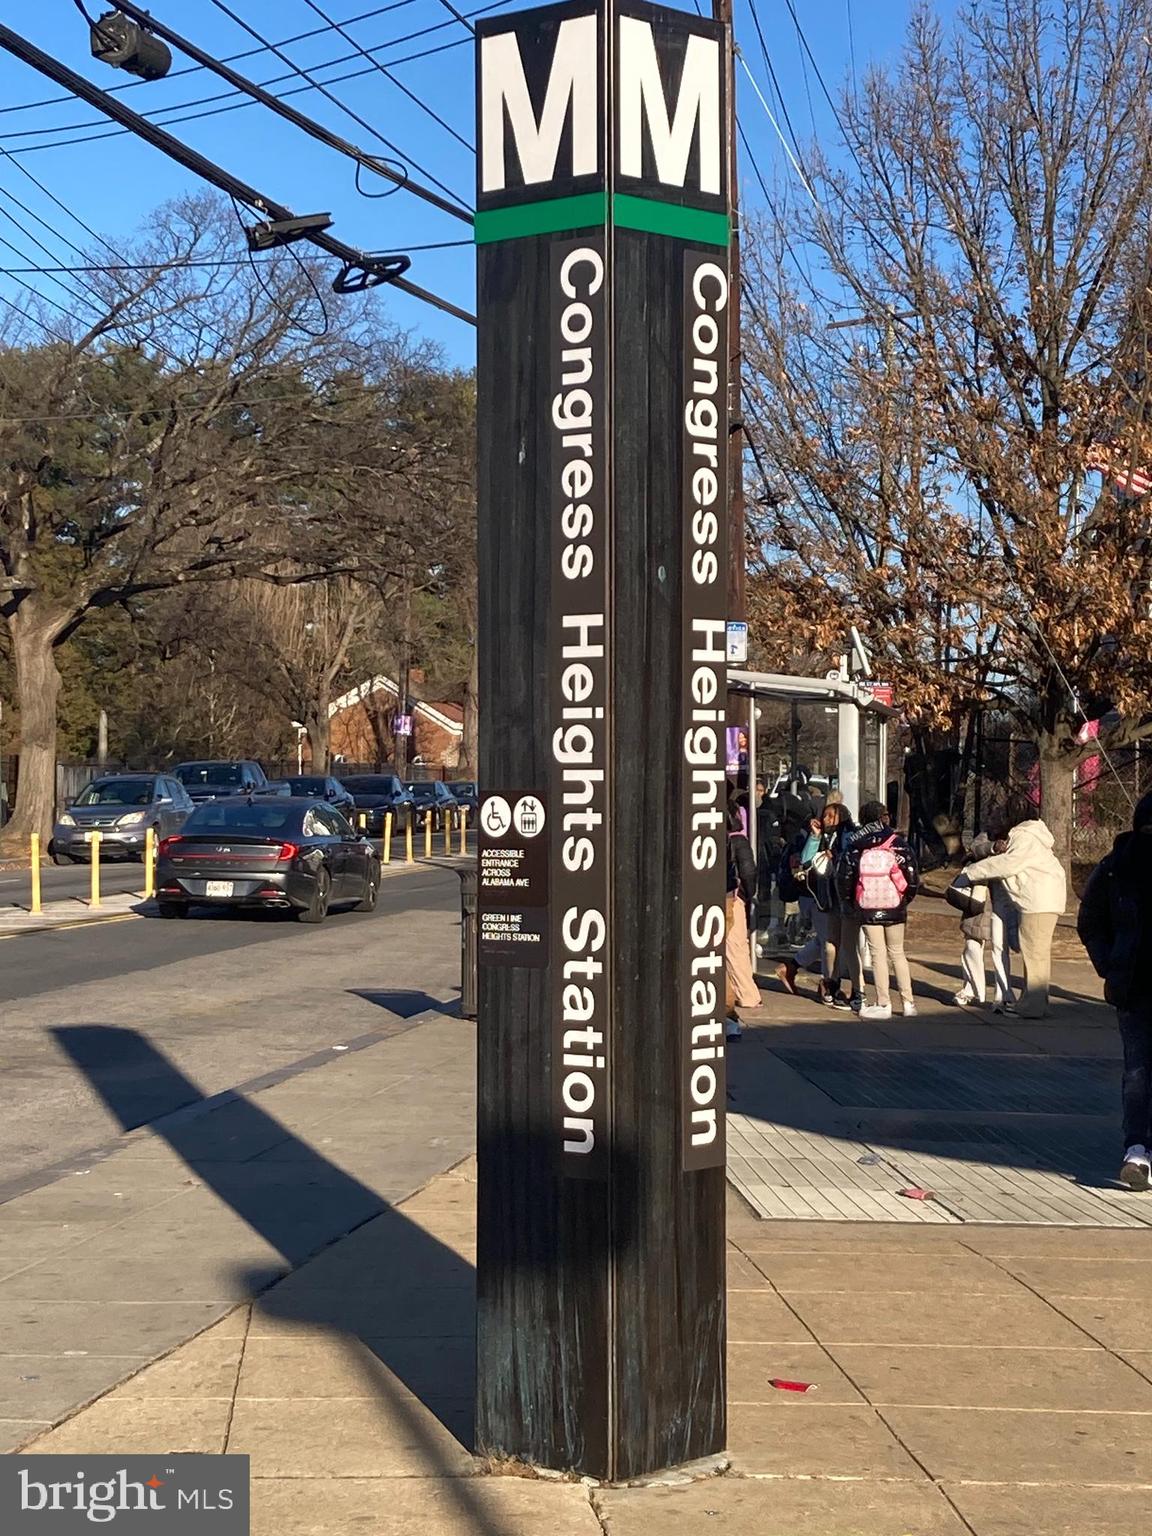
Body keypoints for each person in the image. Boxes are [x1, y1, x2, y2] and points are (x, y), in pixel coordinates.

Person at [1077, 791, 1152, 1190]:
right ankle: (1137, 1148)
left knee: (1140, 1069)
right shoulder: (1114, 869)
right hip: (1134, 984)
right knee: (1138, 1070)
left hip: (1131, 981)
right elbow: (1090, 920)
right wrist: (1109, 962)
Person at [965, 809, 1067, 1019]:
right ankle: (1036, 1001)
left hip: (1038, 901)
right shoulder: (1034, 835)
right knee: (1038, 954)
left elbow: (1009, 864)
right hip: (1045, 899)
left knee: (1034, 954)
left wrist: (973, 871)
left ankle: (1032, 1006)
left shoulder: (1023, 836)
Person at [838, 800, 919, 1020]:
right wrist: (904, 899)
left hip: (869, 906)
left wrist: (851, 902)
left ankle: (883, 1002)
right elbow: (911, 874)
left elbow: (845, 877)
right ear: (882, 816)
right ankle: (908, 1002)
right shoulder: (897, 841)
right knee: (898, 953)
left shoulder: (856, 843)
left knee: (878, 954)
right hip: (894, 904)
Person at [799, 802, 860, 1009]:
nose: (826, 820)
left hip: (845, 898)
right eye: (824, 816)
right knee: (829, 944)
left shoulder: (849, 835)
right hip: (826, 898)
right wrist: (815, 836)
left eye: (831, 816)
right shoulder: (823, 837)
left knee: (848, 946)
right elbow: (806, 860)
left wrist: (838, 856)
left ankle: (854, 988)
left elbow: (853, 859)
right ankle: (830, 983)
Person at [950, 833, 1013, 1013]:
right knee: (971, 944)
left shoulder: (1019, 837)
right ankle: (971, 989)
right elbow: (974, 851)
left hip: (1003, 898)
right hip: (979, 897)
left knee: (1000, 949)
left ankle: (1003, 995)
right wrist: (993, 847)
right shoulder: (986, 835)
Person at [725, 789, 761, 1040]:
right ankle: (747, 993)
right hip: (734, 896)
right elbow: (749, 871)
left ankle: (744, 993)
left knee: (731, 947)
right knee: (737, 945)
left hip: (727, 895)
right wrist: (750, 893)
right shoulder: (738, 840)